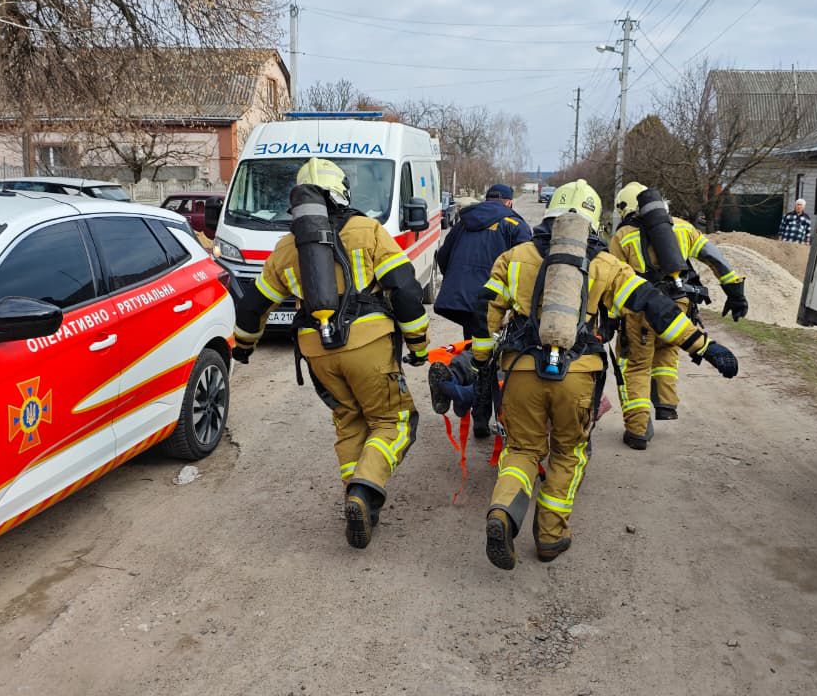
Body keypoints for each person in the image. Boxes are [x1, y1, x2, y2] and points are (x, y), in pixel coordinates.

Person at [473, 179, 740, 569]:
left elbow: (488, 315)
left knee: (522, 451)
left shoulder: (514, 258)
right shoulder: (606, 265)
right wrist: (703, 346)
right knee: (569, 452)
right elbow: (655, 307)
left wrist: (482, 361)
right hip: (578, 376)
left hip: (522, 372)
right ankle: (550, 536)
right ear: (594, 221)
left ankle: (502, 512)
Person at [231, 157, 430, 550]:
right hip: (368, 346)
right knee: (395, 421)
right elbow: (405, 290)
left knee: (349, 421)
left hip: (318, 352)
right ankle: (364, 490)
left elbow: (253, 305)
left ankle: (360, 506)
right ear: (341, 193)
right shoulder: (368, 231)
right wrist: (419, 345)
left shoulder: (287, 248)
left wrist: (244, 346)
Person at [609, 181, 748, 448]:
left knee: (636, 366)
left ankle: (637, 431)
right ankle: (666, 404)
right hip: (679, 305)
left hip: (641, 313)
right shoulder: (683, 227)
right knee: (667, 351)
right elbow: (714, 257)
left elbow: (612, 279)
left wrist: (612, 318)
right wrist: (735, 291)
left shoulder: (623, 236)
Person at [434, 183, 531, 438]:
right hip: (493, 303)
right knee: (490, 358)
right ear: (509, 202)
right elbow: (529, 265)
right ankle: (471, 404)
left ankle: (463, 387)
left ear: (487, 199)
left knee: (476, 349)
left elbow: (443, 256)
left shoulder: (464, 221)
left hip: (463, 299)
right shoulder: (515, 225)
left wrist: (458, 281)